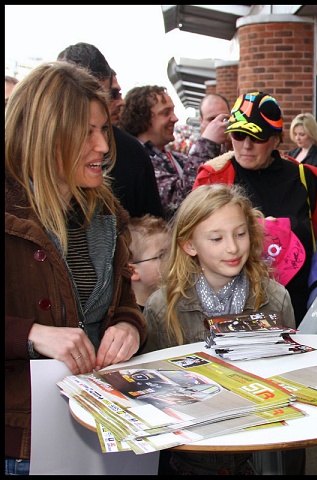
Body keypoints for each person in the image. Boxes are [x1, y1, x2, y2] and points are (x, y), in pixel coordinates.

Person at [5, 61, 148, 474]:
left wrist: (127, 328)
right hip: (21, 447)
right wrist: (32, 335)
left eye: (103, 129)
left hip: (101, 428)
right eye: (86, 132)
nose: (103, 146)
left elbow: (124, 304)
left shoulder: (107, 213)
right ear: (44, 133)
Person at [141, 183, 294, 475]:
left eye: (240, 233)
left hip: (258, 452)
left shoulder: (275, 299)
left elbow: (289, 379)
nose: (233, 247)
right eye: (216, 238)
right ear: (189, 245)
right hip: (192, 459)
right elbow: (153, 392)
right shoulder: (163, 308)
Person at [193, 91, 317, 326]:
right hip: (234, 311)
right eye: (239, 135)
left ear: (275, 140)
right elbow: (194, 241)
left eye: (257, 137)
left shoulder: (308, 178)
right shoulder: (214, 177)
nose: (246, 145)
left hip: (302, 307)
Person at [57, 42, 164, 219]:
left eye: (103, 95)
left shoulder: (132, 153)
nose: (102, 146)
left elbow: (154, 228)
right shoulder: (16, 195)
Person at [118, 85, 228, 221]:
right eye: (166, 113)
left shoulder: (175, 157)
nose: (175, 118)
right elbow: (179, 203)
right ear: (142, 118)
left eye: (173, 111)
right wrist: (208, 143)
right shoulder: (135, 161)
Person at [128, 214, 170, 312]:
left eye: (173, 251)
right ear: (132, 271)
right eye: (162, 255)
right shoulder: (130, 319)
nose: (172, 258)